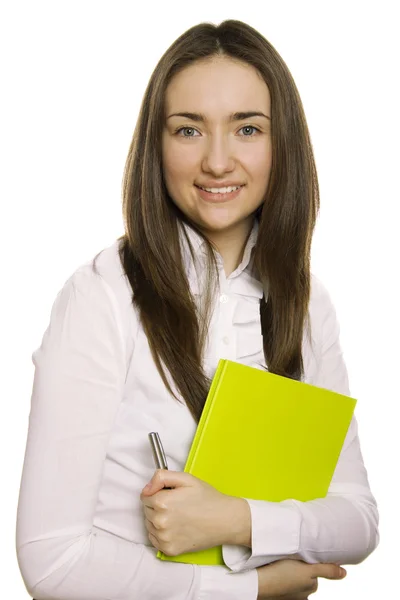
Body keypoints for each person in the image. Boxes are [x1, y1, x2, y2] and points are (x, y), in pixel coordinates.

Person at [16, 19, 379, 600]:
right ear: (155, 146)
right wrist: (252, 587)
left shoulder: (307, 303)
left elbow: (358, 521)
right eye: (188, 130)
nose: (217, 161)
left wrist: (237, 520)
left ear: (281, 142)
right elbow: (52, 562)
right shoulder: (102, 298)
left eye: (247, 129)